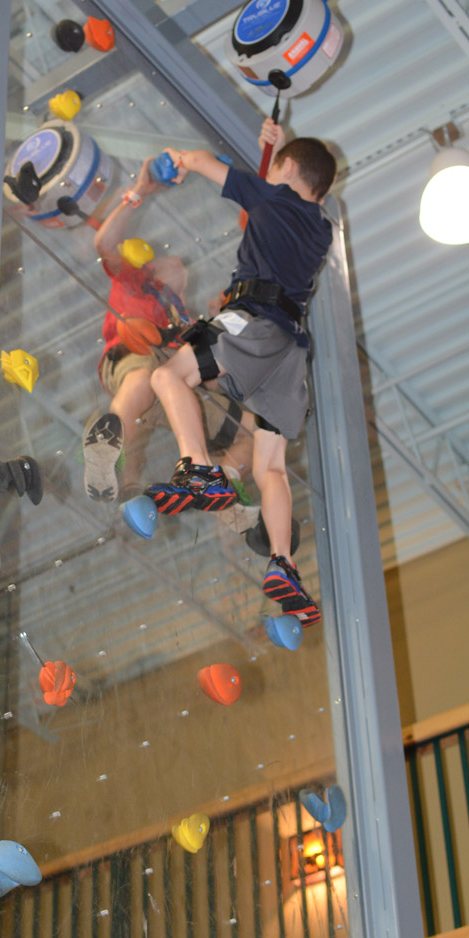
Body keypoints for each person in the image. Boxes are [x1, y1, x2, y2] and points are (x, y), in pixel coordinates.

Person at [145, 119, 336, 627]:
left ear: (287, 170)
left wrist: (181, 159)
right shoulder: (320, 229)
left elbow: (212, 165)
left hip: (252, 324)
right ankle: (283, 563)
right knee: (269, 467)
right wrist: (272, 153)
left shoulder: (272, 199)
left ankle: (199, 469)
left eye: (278, 167)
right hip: (289, 353)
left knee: (167, 378)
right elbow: (283, 195)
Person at [83, 158, 259, 536]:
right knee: (144, 378)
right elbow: (105, 243)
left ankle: (222, 491)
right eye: (167, 259)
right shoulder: (136, 280)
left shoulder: (188, 324)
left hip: (175, 386)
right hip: (136, 358)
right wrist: (139, 192)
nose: (177, 259)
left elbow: (212, 380)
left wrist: (221, 325)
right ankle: (113, 463)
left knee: (254, 429)